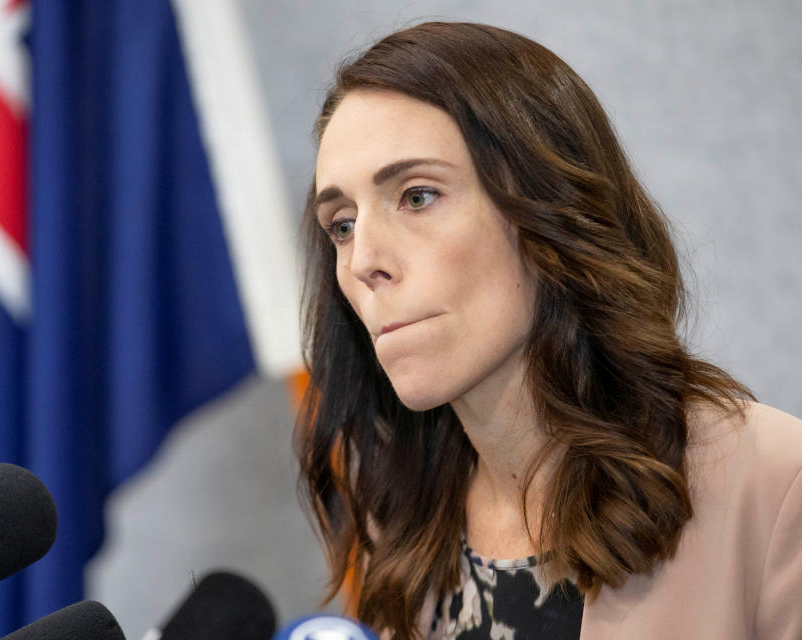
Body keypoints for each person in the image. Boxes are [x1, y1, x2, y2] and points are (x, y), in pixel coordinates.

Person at [295, 22, 802, 640]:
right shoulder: (399, 519)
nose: (362, 259)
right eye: (341, 224)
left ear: (549, 209)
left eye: (418, 195)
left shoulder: (775, 485)